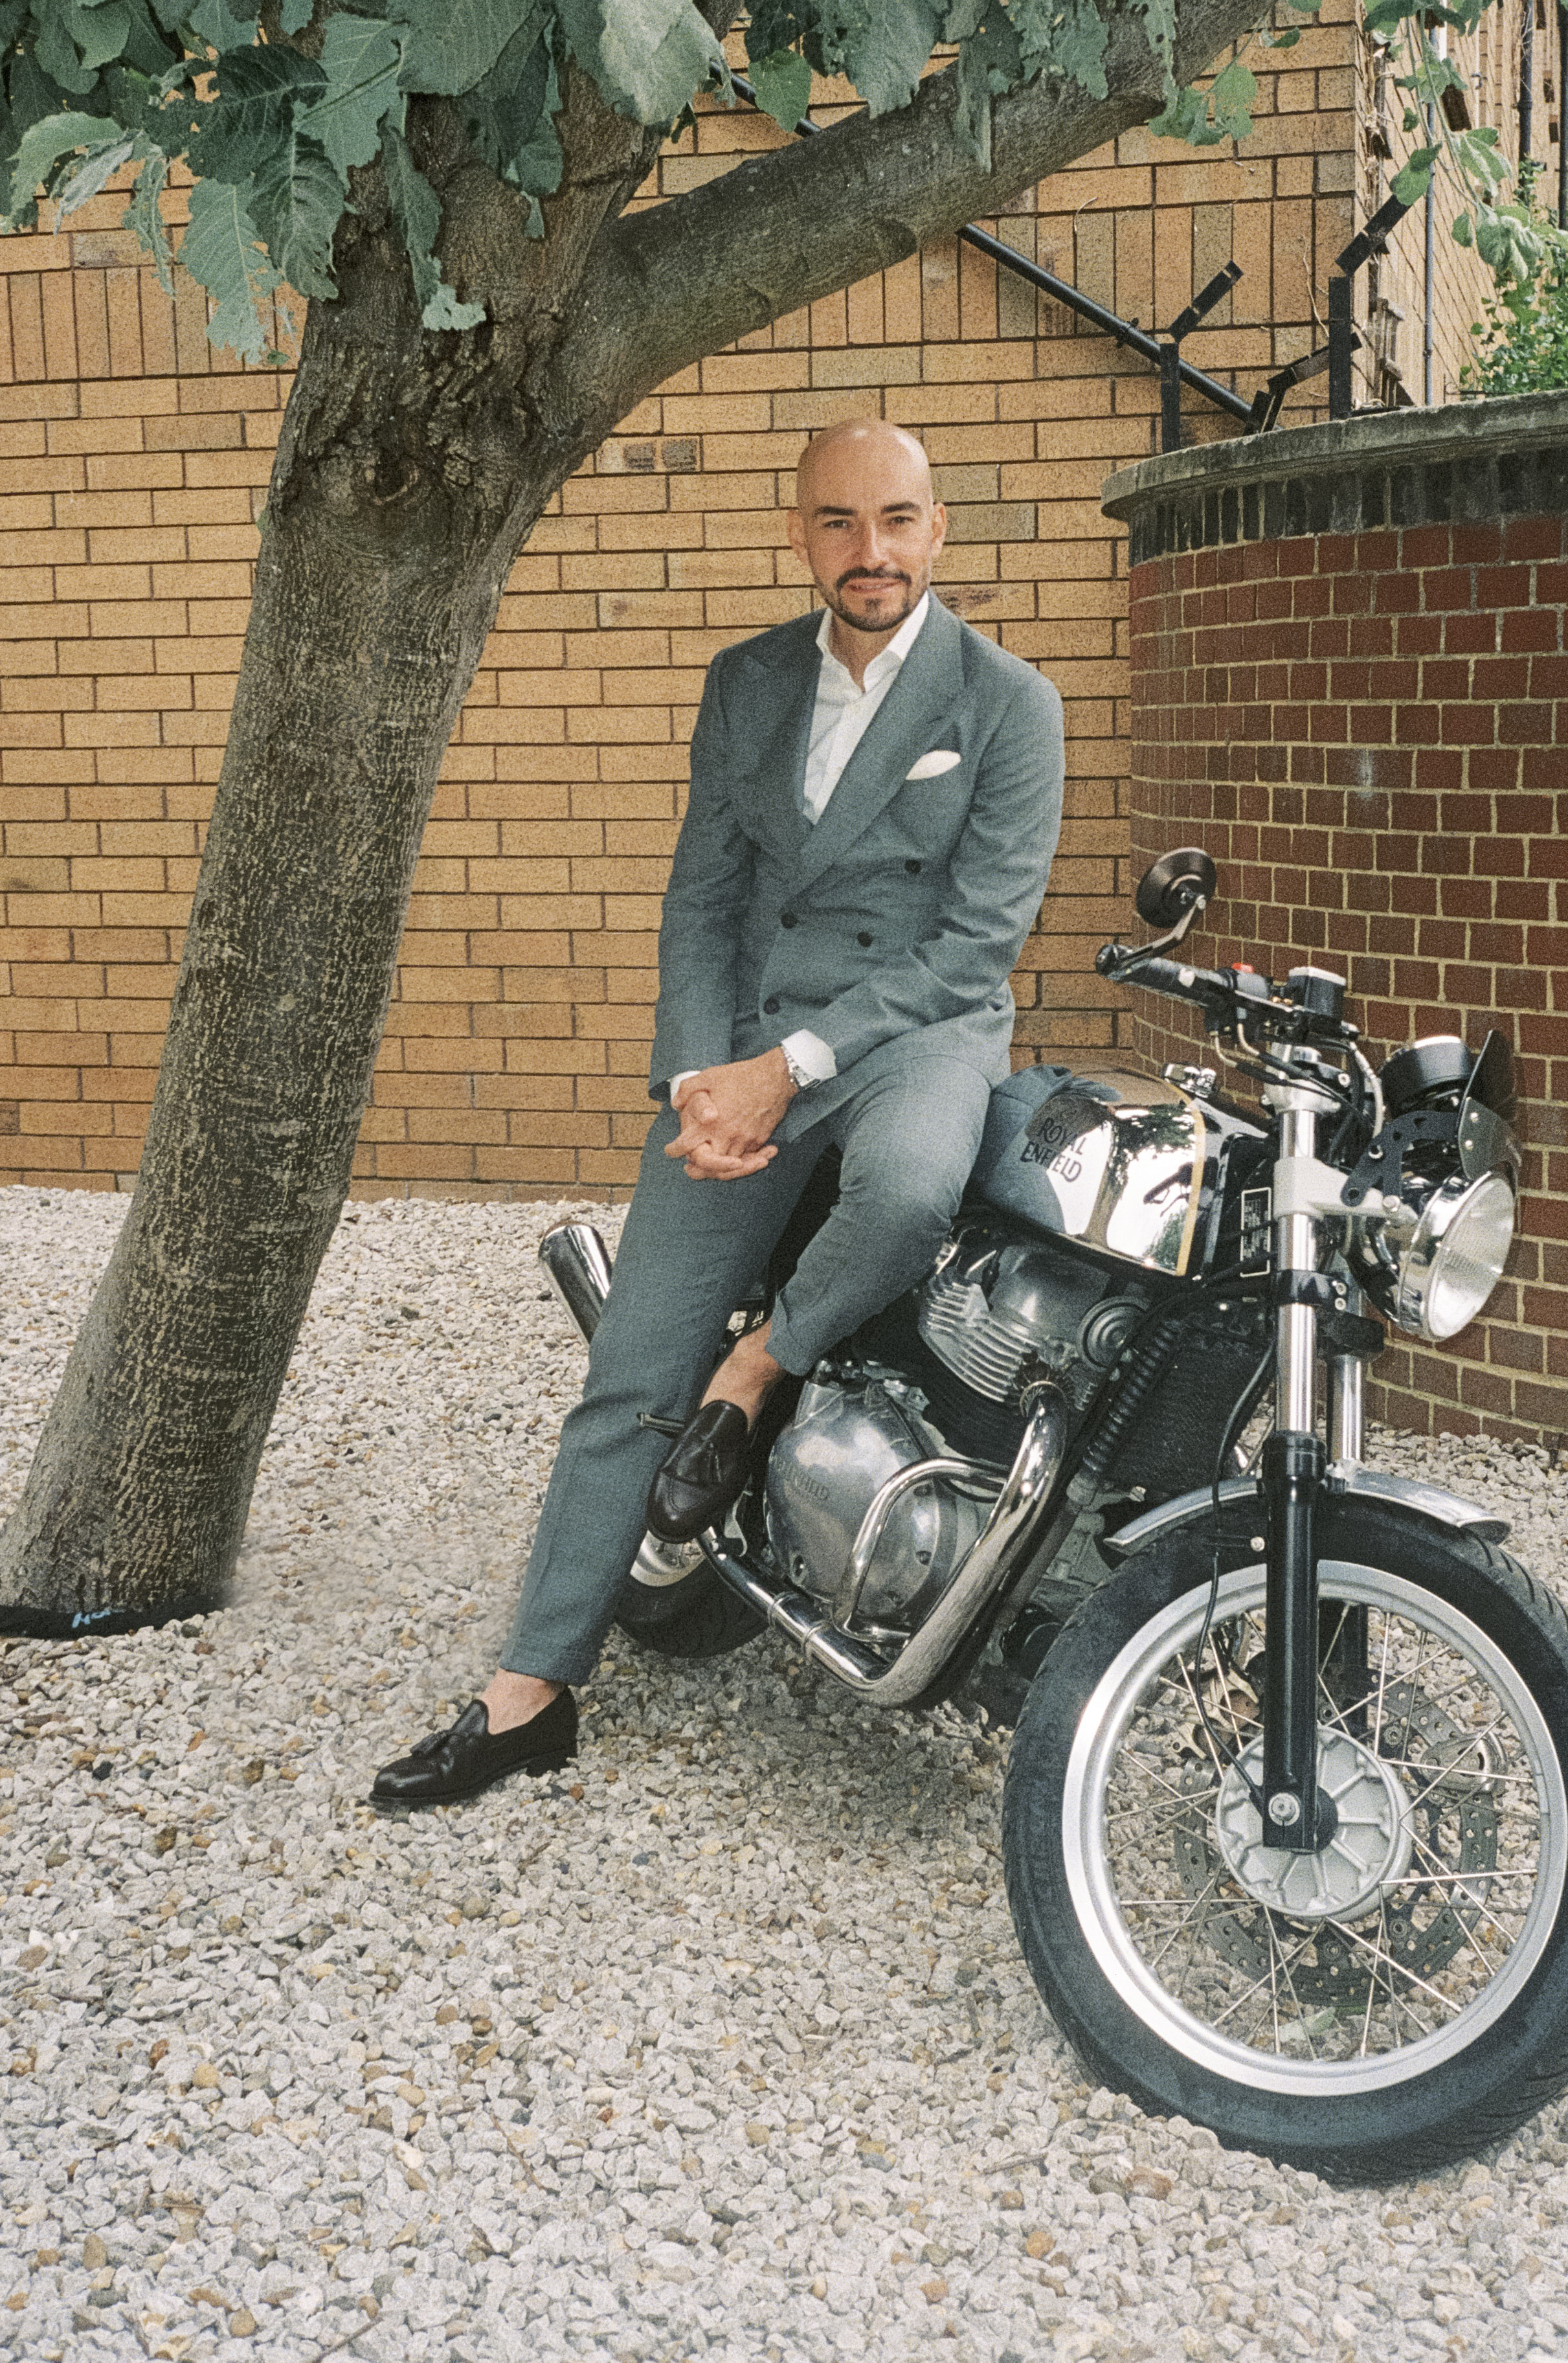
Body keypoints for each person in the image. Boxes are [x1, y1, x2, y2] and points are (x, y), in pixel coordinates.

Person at [370, 418, 1067, 1811]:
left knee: (915, 1188)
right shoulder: (745, 681)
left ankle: (762, 1371)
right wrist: (699, 1075)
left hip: (911, 1035)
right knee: (631, 1373)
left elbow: (974, 948)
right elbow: (703, 896)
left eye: (896, 519)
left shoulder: (1008, 702)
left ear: (938, 530)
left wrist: (788, 1066)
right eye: (836, 522)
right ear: (798, 532)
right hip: (742, 1057)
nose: (868, 551)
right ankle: (531, 1691)